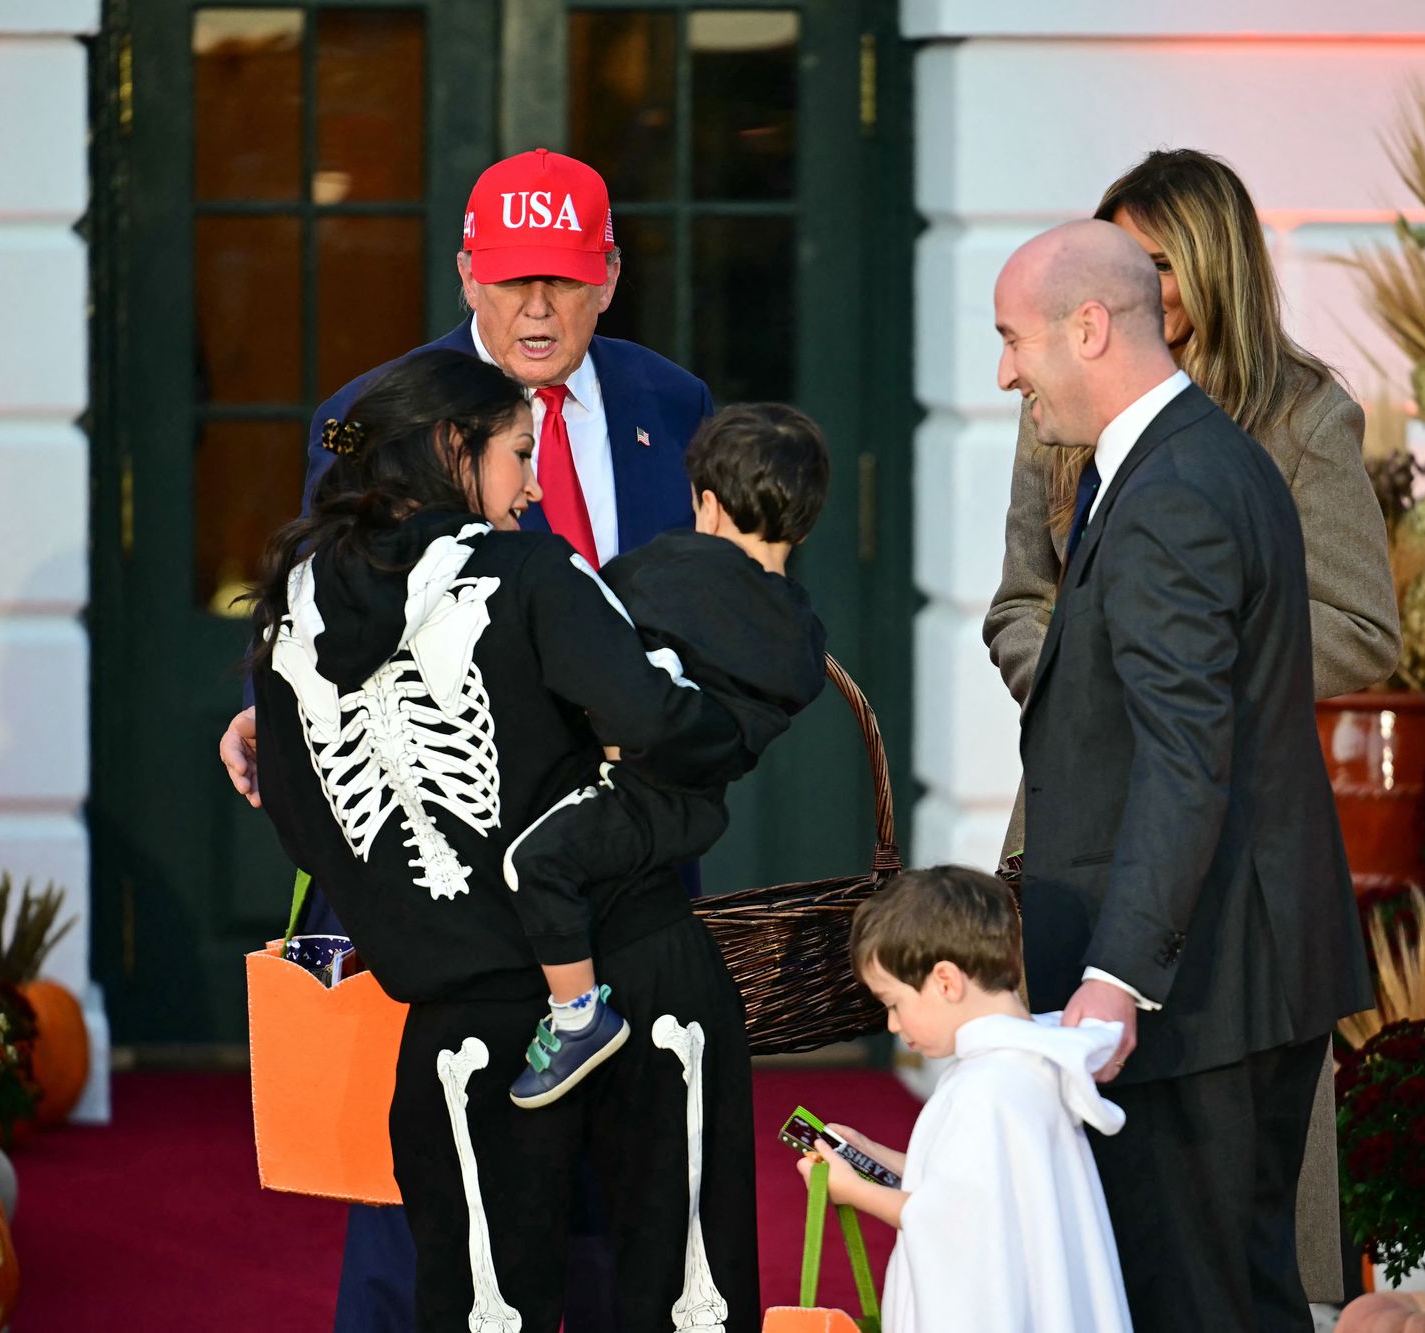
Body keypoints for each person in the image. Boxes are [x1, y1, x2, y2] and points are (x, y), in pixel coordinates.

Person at [215, 147, 716, 1331]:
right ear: (464, 276)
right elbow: (320, 569)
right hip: (442, 863)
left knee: (623, 1179)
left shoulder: (673, 405)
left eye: (560, 278)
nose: (534, 307)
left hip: (622, 853)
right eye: (508, 279)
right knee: (427, 1183)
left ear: (607, 278)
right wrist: (271, 697)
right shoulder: (364, 416)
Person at [982, 147, 1397, 1306]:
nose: (1004, 373)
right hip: (1223, 956)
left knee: (1191, 1296)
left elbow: (1183, 752)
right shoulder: (1199, 455)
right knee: (1234, 1293)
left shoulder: (1178, 484)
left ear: (1088, 329)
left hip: (1196, 974)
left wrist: (1115, 976)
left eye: (1013, 339)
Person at [501, 402, 830, 1108]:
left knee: (535, 862)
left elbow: (589, 644)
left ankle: (578, 1014)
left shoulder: (661, 572)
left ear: (704, 501)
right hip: (695, 816)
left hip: (630, 789)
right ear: (803, 523)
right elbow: (787, 695)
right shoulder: (800, 627)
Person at [796, 865, 1133, 1333]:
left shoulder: (984, 1088)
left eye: (893, 1003)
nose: (893, 1025)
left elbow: (949, 1220)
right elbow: (965, 1185)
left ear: (946, 982)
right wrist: (869, 1154)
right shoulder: (1028, 1061)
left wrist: (852, 1190)